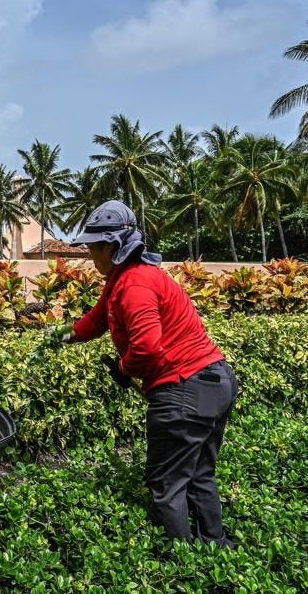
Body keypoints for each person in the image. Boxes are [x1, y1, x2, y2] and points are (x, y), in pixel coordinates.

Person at [53, 200, 238, 548]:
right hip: (214, 381)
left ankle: (180, 564)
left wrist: (124, 368)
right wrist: (61, 336)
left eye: (93, 248)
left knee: (166, 483)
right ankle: (216, 547)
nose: (90, 256)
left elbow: (148, 347)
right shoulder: (124, 279)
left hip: (185, 388)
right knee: (198, 473)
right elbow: (96, 320)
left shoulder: (134, 284)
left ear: (112, 247)